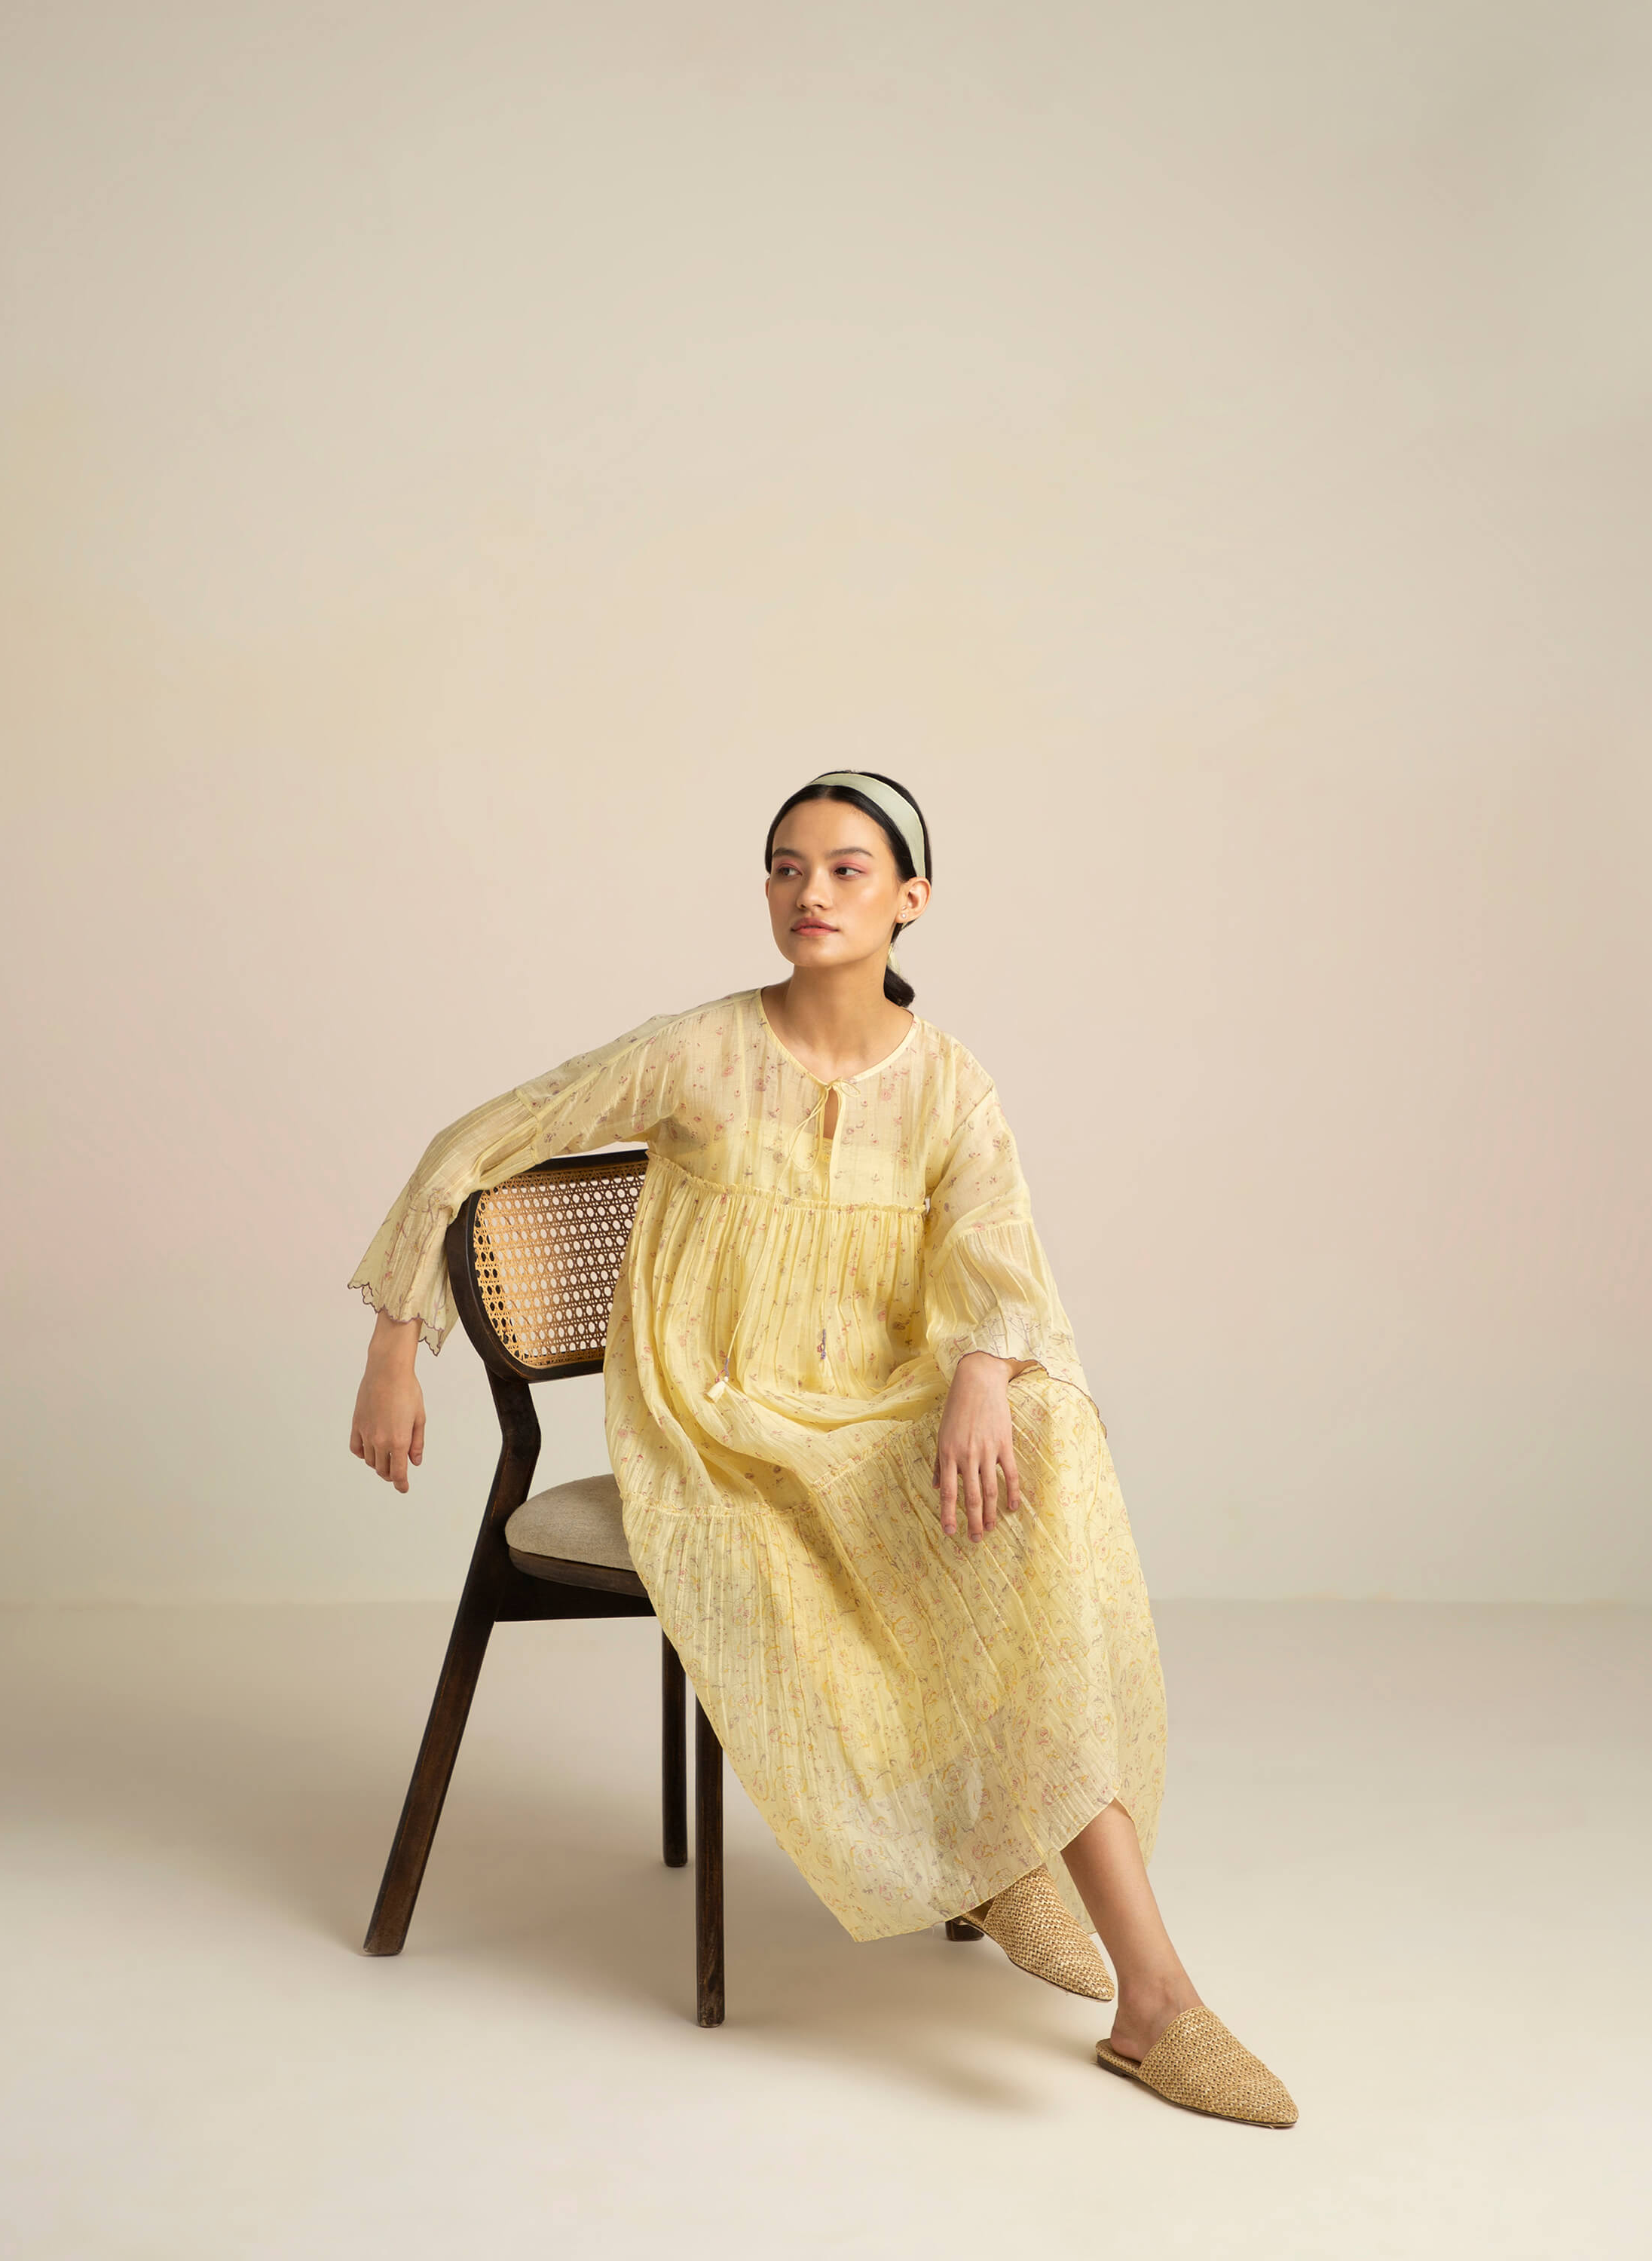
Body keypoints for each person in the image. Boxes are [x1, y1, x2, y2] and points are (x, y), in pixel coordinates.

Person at [347, 769, 1296, 2128]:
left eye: (848, 870)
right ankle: (1129, 1972)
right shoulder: (697, 1049)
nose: (811, 893)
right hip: (719, 1418)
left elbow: (998, 1258)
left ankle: (1043, 1865)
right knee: (955, 1514)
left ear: (912, 900)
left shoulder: (951, 1082)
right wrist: (398, 1339)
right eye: (787, 867)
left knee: (1044, 1433)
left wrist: (979, 1377)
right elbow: (492, 1133)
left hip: (875, 1402)